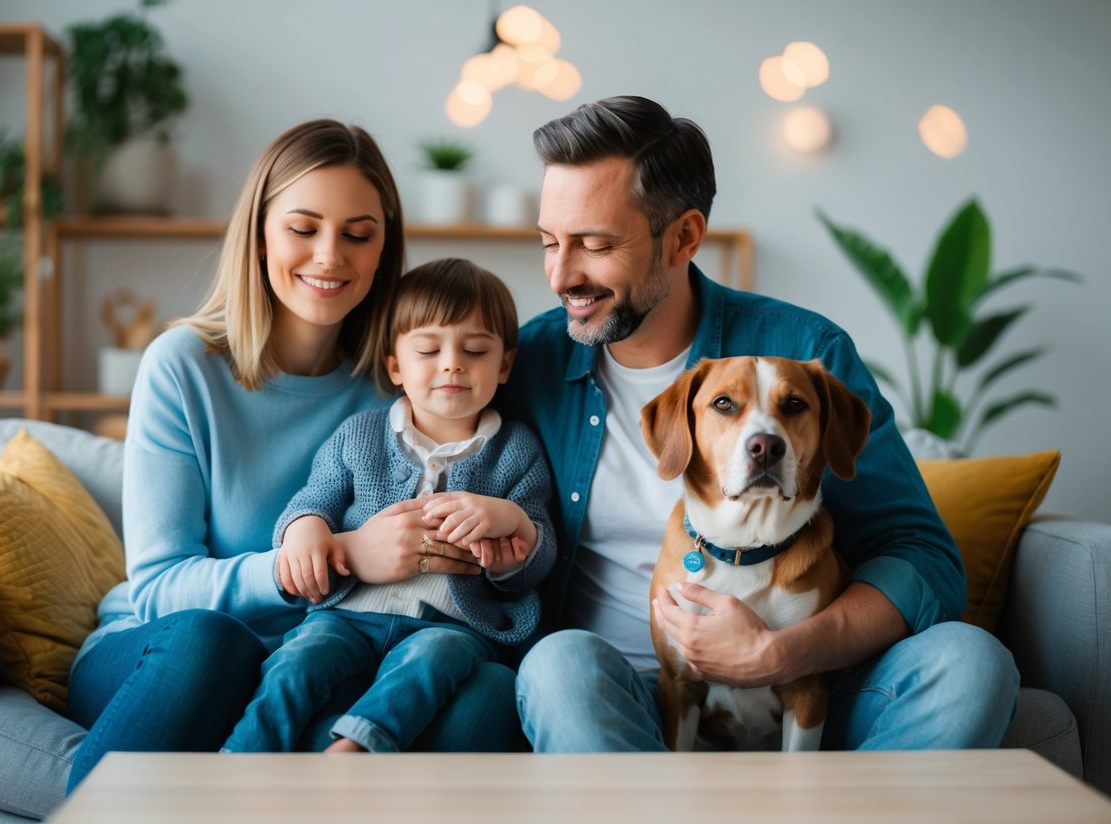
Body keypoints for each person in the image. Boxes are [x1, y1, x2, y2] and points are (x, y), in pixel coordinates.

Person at [500, 95, 1020, 752]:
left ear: (684, 237)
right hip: (629, 696)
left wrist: (783, 655)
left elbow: (921, 557)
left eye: (596, 245)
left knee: (971, 661)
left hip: (807, 688)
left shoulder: (807, 353)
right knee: (557, 664)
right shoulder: (526, 363)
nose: (560, 275)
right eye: (549, 242)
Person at [64, 121, 520, 791]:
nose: (329, 256)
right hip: (166, 654)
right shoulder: (183, 366)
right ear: (259, 233)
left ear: (382, 249)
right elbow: (159, 589)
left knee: (482, 690)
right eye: (303, 229)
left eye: (358, 235)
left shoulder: (403, 390)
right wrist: (334, 556)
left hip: (315, 665)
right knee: (209, 640)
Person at [221, 258, 555, 754]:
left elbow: (538, 548)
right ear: (395, 364)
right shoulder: (360, 435)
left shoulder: (516, 450)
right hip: (348, 616)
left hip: (451, 626)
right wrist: (304, 529)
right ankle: (243, 759)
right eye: (428, 349)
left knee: (435, 656)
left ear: (504, 364)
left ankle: (357, 746)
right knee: (298, 661)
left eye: (475, 350)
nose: (452, 363)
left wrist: (516, 533)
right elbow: (315, 499)